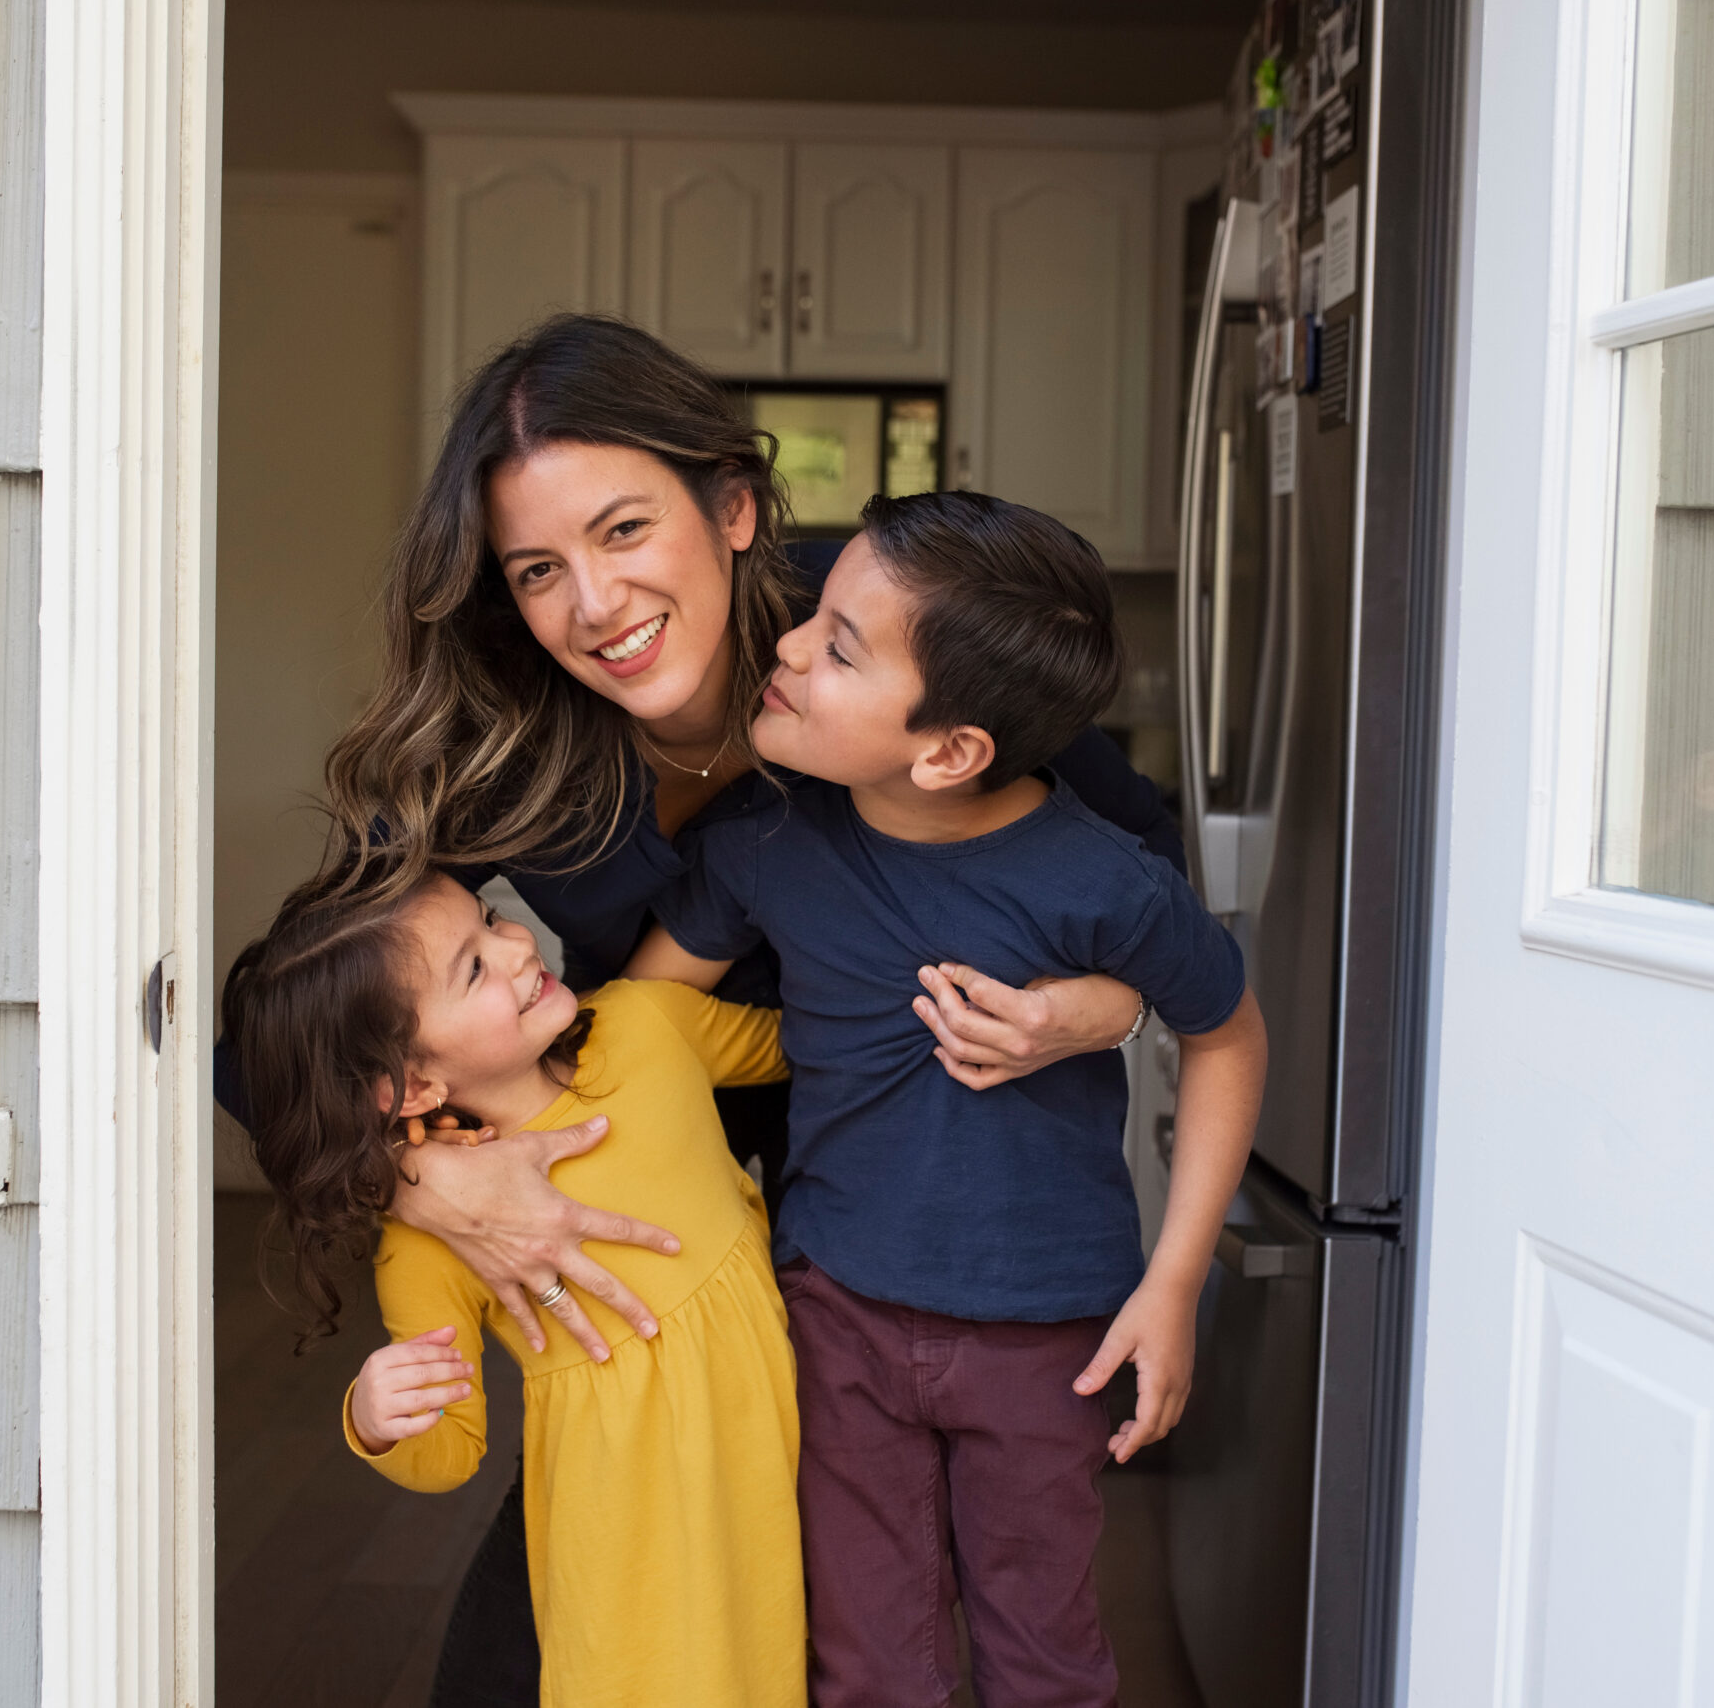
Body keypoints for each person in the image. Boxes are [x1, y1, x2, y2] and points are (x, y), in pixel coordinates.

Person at [214, 314, 1185, 1701]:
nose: (594, 606)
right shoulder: (494, 742)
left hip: (919, 1231)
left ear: (732, 509)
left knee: (924, 1634)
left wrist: (1093, 1012)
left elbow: (1152, 886)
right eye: (538, 569)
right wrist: (439, 1183)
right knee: (557, 1631)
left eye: (624, 532)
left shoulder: (884, 628)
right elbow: (277, 1041)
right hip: (658, 1238)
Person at [630, 490, 1266, 1707]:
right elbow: (644, 1026)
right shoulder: (768, 843)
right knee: (869, 1662)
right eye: (814, 618)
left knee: (1043, 1658)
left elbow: (1227, 1035)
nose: (788, 647)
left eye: (839, 646)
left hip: (1045, 1339)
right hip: (837, 1314)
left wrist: (1174, 1282)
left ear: (947, 750)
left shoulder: (1106, 884)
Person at [219, 860, 804, 1708]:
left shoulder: (646, 1022)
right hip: (622, 1535)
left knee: (776, 1665)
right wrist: (377, 1419)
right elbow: (449, 1451)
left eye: (492, 921)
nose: (518, 944)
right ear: (413, 1086)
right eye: (474, 966)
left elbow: (798, 1043)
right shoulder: (426, 1241)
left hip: (767, 1453)